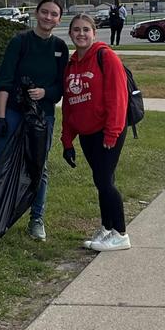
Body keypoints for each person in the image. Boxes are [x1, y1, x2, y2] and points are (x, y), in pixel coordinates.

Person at [0, 0, 69, 241]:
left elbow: (61, 86)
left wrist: (45, 93)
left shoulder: (60, 47)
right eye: (44, 12)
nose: (48, 17)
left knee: (39, 168)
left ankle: (36, 219)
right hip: (14, 113)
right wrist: (1, 116)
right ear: (36, 14)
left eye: (54, 14)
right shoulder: (20, 41)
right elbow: (4, 80)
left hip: (42, 117)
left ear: (59, 19)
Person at [61, 13, 131, 252]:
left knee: (104, 180)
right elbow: (70, 105)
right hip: (86, 134)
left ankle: (121, 234)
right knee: (101, 181)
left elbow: (118, 98)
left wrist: (112, 133)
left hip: (107, 132)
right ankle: (107, 228)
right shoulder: (70, 65)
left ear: (94, 33)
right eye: (76, 30)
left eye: (86, 30)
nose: (81, 34)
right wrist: (67, 140)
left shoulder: (106, 57)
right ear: (70, 33)